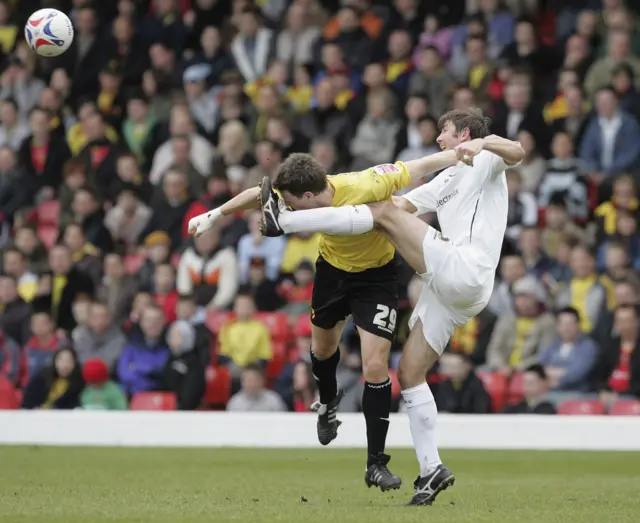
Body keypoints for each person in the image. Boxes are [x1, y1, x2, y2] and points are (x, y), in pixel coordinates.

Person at [186, 109, 525, 504]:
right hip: (445, 289)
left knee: (381, 212)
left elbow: (516, 151)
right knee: (411, 373)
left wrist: (484, 143)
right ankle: (431, 469)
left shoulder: (485, 160)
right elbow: (397, 209)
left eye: (444, 132)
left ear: (464, 133)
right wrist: (217, 214)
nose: (438, 139)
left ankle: (285, 224)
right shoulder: (446, 179)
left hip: (466, 269)